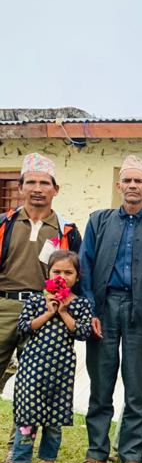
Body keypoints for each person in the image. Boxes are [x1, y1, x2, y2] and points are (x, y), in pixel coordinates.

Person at [77, 155, 142, 463]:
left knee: (137, 388)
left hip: (141, 312)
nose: (133, 186)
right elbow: (85, 266)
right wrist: (91, 310)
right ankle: (96, 454)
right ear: (119, 185)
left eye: (139, 181)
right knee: (101, 384)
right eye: (127, 180)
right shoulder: (98, 221)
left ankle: (131, 456)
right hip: (104, 310)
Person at [0, 251, 92, 463]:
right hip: (33, 369)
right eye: (57, 271)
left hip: (62, 370)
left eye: (68, 272)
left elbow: (83, 332)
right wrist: (49, 311)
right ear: (48, 274)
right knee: (27, 418)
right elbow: (24, 327)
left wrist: (63, 312)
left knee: (54, 419)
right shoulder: (35, 300)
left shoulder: (80, 303)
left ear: (77, 277)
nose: (62, 276)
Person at [0, 153, 81, 396]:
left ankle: (23, 424)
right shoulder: (4, 224)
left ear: (55, 190)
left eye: (45, 183)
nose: (38, 189)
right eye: (31, 182)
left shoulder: (66, 231)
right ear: (20, 187)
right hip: (4, 306)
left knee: (34, 385)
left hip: (44, 309)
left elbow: (77, 277)